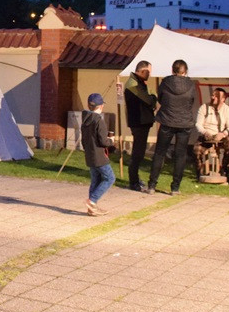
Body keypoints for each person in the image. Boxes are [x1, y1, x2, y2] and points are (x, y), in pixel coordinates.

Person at [146, 59, 197, 195]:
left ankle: (152, 185)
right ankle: (175, 188)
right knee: (180, 155)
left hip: (167, 120)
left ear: (172, 70)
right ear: (185, 71)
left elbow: (161, 99)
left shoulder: (165, 82)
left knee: (160, 152)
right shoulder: (191, 84)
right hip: (184, 122)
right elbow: (191, 101)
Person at [123, 60, 157, 192]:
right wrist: (153, 97)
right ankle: (133, 182)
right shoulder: (133, 85)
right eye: (148, 72)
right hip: (139, 122)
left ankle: (135, 180)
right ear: (142, 71)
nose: (150, 75)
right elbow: (148, 100)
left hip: (142, 121)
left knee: (139, 152)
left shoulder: (138, 82)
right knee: (137, 153)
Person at [82, 93, 116, 216]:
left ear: (88, 105)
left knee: (95, 180)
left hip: (89, 154)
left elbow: (84, 140)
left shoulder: (85, 119)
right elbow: (103, 141)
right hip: (99, 156)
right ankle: (92, 201)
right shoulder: (98, 121)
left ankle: (92, 208)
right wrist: (111, 141)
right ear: (101, 106)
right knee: (110, 178)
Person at [193, 87, 229, 178]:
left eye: (216, 96)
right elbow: (198, 124)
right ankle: (200, 174)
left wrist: (223, 134)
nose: (213, 98)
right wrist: (205, 132)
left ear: (223, 99)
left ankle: (224, 170)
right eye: (212, 95)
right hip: (206, 136)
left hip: (221, 136)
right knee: (196, 149)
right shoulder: (204, 107)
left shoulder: (228, 110)